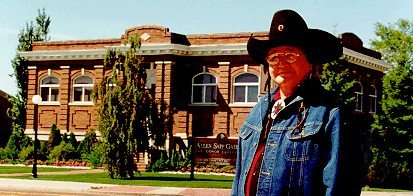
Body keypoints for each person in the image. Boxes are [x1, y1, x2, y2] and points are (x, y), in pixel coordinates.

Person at [231, 10, 358, 196]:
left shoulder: (330, 113)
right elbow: (238, 181)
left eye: (290, 55)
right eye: (274, 57)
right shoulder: (258, 111)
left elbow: (340, 187)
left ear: (310, 61)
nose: (281, 63)